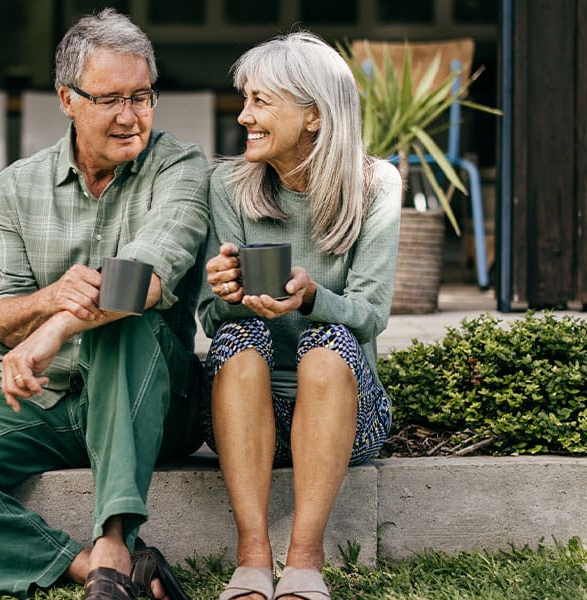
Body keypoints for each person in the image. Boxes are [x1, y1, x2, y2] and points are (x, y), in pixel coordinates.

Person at [0, 9, 209, 600]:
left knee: (123, 321)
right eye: (110, 99)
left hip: (152, 402)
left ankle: (115, 539)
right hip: (52, 401)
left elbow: (146, 278)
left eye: (142, 96)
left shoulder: (180, 166)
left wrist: (53, 331)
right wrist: (48, 299)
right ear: (67, 99)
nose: (130, 116)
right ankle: (82, 565)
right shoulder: (16, 186)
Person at [197, 32, 401, 600]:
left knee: (329, 339)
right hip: (246, 419)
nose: (244, 116)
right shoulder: (227, 186)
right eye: (245, 100)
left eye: (260, 101)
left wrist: (311, 298)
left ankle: (306, 559)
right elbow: (210, 319)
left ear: (314, 115)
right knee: (237, 337)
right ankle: (252, 556)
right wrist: (226, 294)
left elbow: (370, 315)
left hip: (346, 418)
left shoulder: (376, 185)